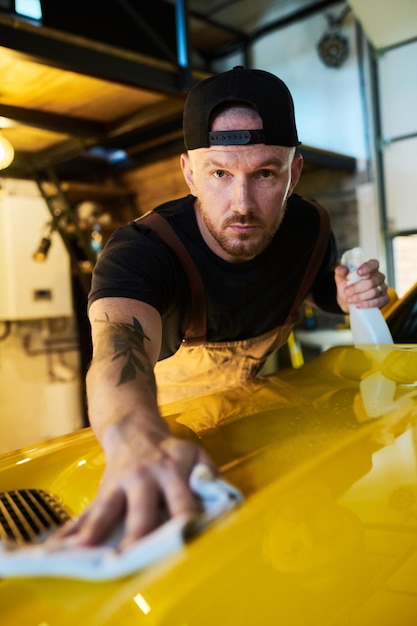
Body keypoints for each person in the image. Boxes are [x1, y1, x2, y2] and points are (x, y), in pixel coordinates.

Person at [56, 66, 390, 549]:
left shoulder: (310, 228)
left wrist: (345, 297)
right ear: (189, 173)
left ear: (293, 174)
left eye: (265, 173)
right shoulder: (143, 250)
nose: (243, 204)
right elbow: (116, 348)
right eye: (219, 173)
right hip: (168, 442)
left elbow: (316, 287)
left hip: (267, 427)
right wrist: (135, 441)